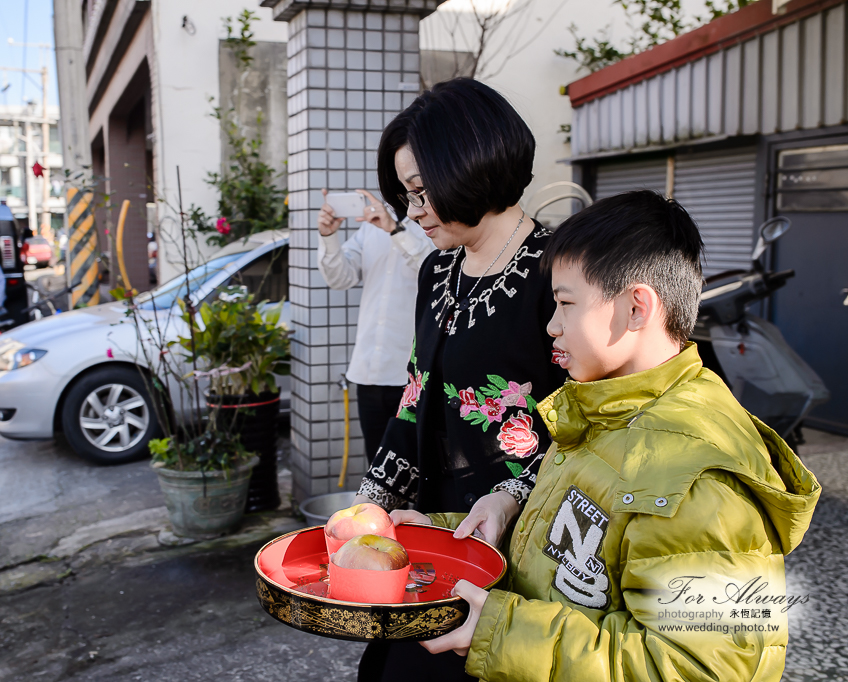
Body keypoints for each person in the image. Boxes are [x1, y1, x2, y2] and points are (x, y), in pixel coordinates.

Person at [406, 190, 821, 682]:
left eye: (565, 304)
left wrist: (499, 630)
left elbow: (698, 668)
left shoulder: (698, 476)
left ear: (636, 308)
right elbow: (567, 553)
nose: (552, 326)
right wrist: (435, 533)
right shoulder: (606, 411)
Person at [352, 78, 568, 682]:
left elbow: (591, 422)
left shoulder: (561, 271)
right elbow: (418, 394)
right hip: (441, 525)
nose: (412, 211)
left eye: (422, 192)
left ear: (472, 166)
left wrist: (513, 496)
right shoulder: (436, 269)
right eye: (406, 195)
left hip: (523, 534)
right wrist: (372, 503)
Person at [317, 188, 434, 462]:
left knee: (418, 466)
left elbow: (433, 270)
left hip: (414, 375)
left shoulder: (433, 224)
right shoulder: (370, 228)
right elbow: (339, 278)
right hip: (368, 371)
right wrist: (328, 235)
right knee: (377, 465)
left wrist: (395, 229)